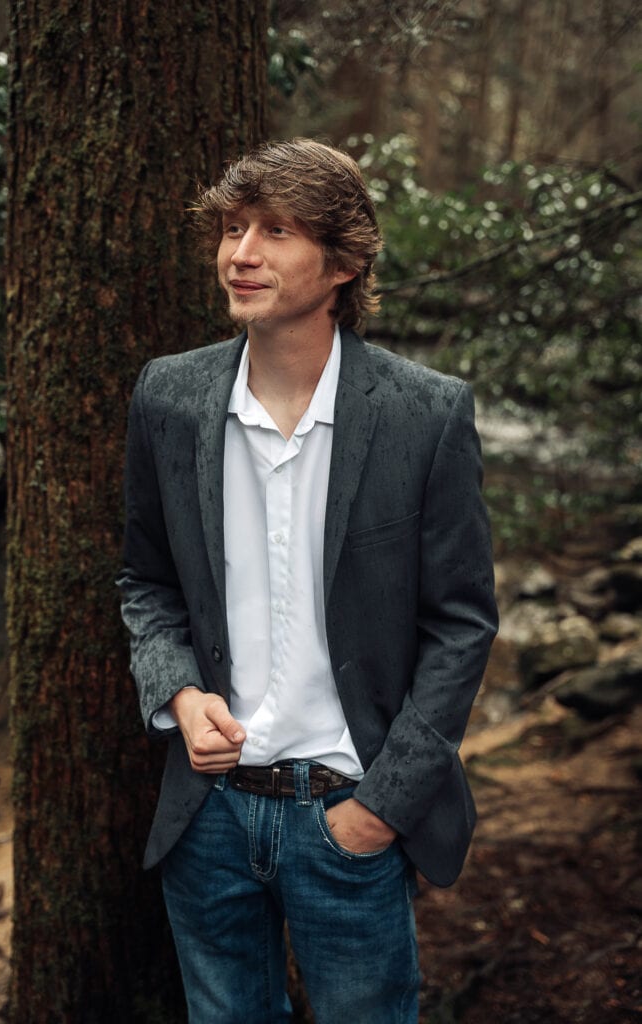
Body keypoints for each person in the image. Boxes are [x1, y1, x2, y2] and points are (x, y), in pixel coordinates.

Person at [117, 138, 498, 1024]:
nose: (240, 252)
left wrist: (381, 810)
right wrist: (174, 691)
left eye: (276, 231)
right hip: (206, 817)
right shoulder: (168, 398)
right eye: (233, 227)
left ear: (344, 262)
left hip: (348, 818)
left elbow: (460, 625)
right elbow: (147, 581)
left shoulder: (424, 413)